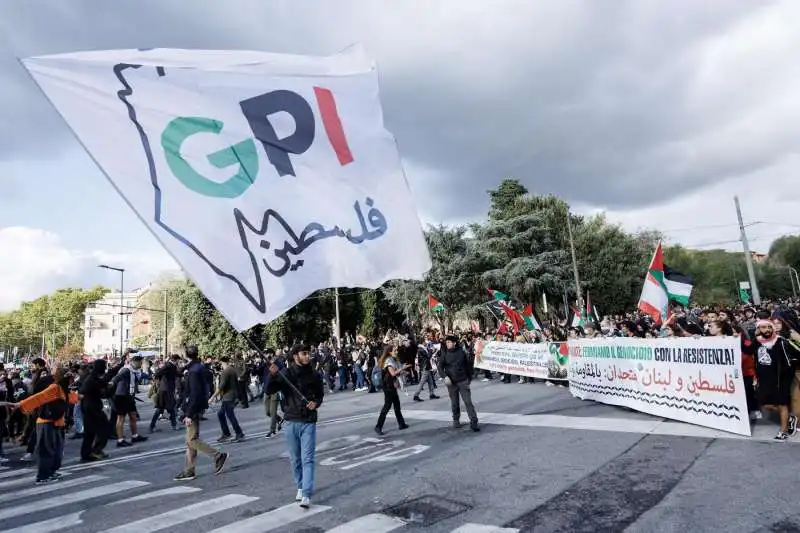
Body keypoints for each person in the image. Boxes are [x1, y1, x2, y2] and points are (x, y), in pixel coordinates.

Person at [267, 344, 324, 509]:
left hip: (308, 422)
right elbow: (269, 389)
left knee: (308, 458)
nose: (308, 356)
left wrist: (316, 403)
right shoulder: (286, 374)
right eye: (304, 353)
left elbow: (320, 395)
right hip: (291, 421)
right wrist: (272, 375)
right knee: (295, 459)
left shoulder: (314, 374)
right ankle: (300, 486)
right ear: (295, 356)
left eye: (308, 353)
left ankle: (306, 493)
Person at [8, 364, 78, 483]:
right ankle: (43, 476)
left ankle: (51, 471)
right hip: (46, 423)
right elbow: (39, 397)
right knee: (46, 450)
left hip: (57, 423)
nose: (72, 381)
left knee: (57, 450)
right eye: (70, 378)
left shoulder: (64, 390)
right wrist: (20, 404)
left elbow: (75, 398)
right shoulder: (54, 388)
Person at [174, 345, 228, 481]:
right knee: (190, 440)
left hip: (193, 408)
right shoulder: (200, 367)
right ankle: (189, 470)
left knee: (191, 440)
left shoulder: (193, 371)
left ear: (186, 355)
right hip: (198, 406)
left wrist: (189, 413)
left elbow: (194, 393)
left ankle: (218, 455)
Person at [439, 335, 480, 432]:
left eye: (449, 342)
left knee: (468, 402)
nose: (448, 344)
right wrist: (445, 376)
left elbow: (468, 365)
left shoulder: (461, 352)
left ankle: (474, 422)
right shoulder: (444, 354)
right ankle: (456, 420)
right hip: (451, 383)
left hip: (463, 380)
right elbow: (440, 367)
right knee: (454, 403)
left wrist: (469, 378)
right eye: (447, 342)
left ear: (454, 343)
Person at [375, 346, 410, 435]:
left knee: (397, 405)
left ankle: (401, 424)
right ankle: (378, 426)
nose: (396, 352)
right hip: (387, 386)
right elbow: (393, 373)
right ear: (389, 352)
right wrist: (402, 368)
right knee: (387, 406)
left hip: (391, 385)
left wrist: (404, 371)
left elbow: (396, 372)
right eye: (394, 350)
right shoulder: (389, 361)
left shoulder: (393, 360)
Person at [211, 356, 245, 442]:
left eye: (220, 363)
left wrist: (212, 397)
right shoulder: (232, 370)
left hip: (228, 397)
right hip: (231, 395)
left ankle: (239, 433)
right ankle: (226, 433)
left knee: (230, 415)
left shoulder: (225, 372)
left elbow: (221, 387)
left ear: (222, 362)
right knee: (221, 414)